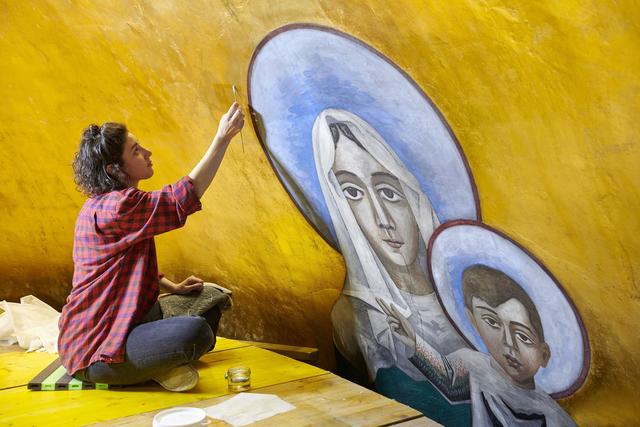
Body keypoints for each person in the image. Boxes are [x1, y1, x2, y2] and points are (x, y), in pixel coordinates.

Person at [57, 102, 244, 392]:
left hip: (130, 319)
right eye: (136, 151)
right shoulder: (116, 208)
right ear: (114, 169)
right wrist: (222, 139)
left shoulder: (108, 204)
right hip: (96, 349)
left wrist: (175, 288)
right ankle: (154, 366)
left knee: (211, 297)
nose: (147, 153)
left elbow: (121, 273)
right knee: (196, 333)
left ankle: (158, 363)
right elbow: (181, 198)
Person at [312, 109, 470, 422]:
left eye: (388, 191)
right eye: (353, 193)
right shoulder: (350, 315)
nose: (381, 220)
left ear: (413, 195)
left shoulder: (470, 299)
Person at [381, 264, 576, 426]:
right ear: (473, 322)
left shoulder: (553, 414)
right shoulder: (475, 366)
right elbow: (446, 374)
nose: (509, 343)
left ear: (545, 354)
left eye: (523, 336)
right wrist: (413, 341)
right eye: (492, 323)